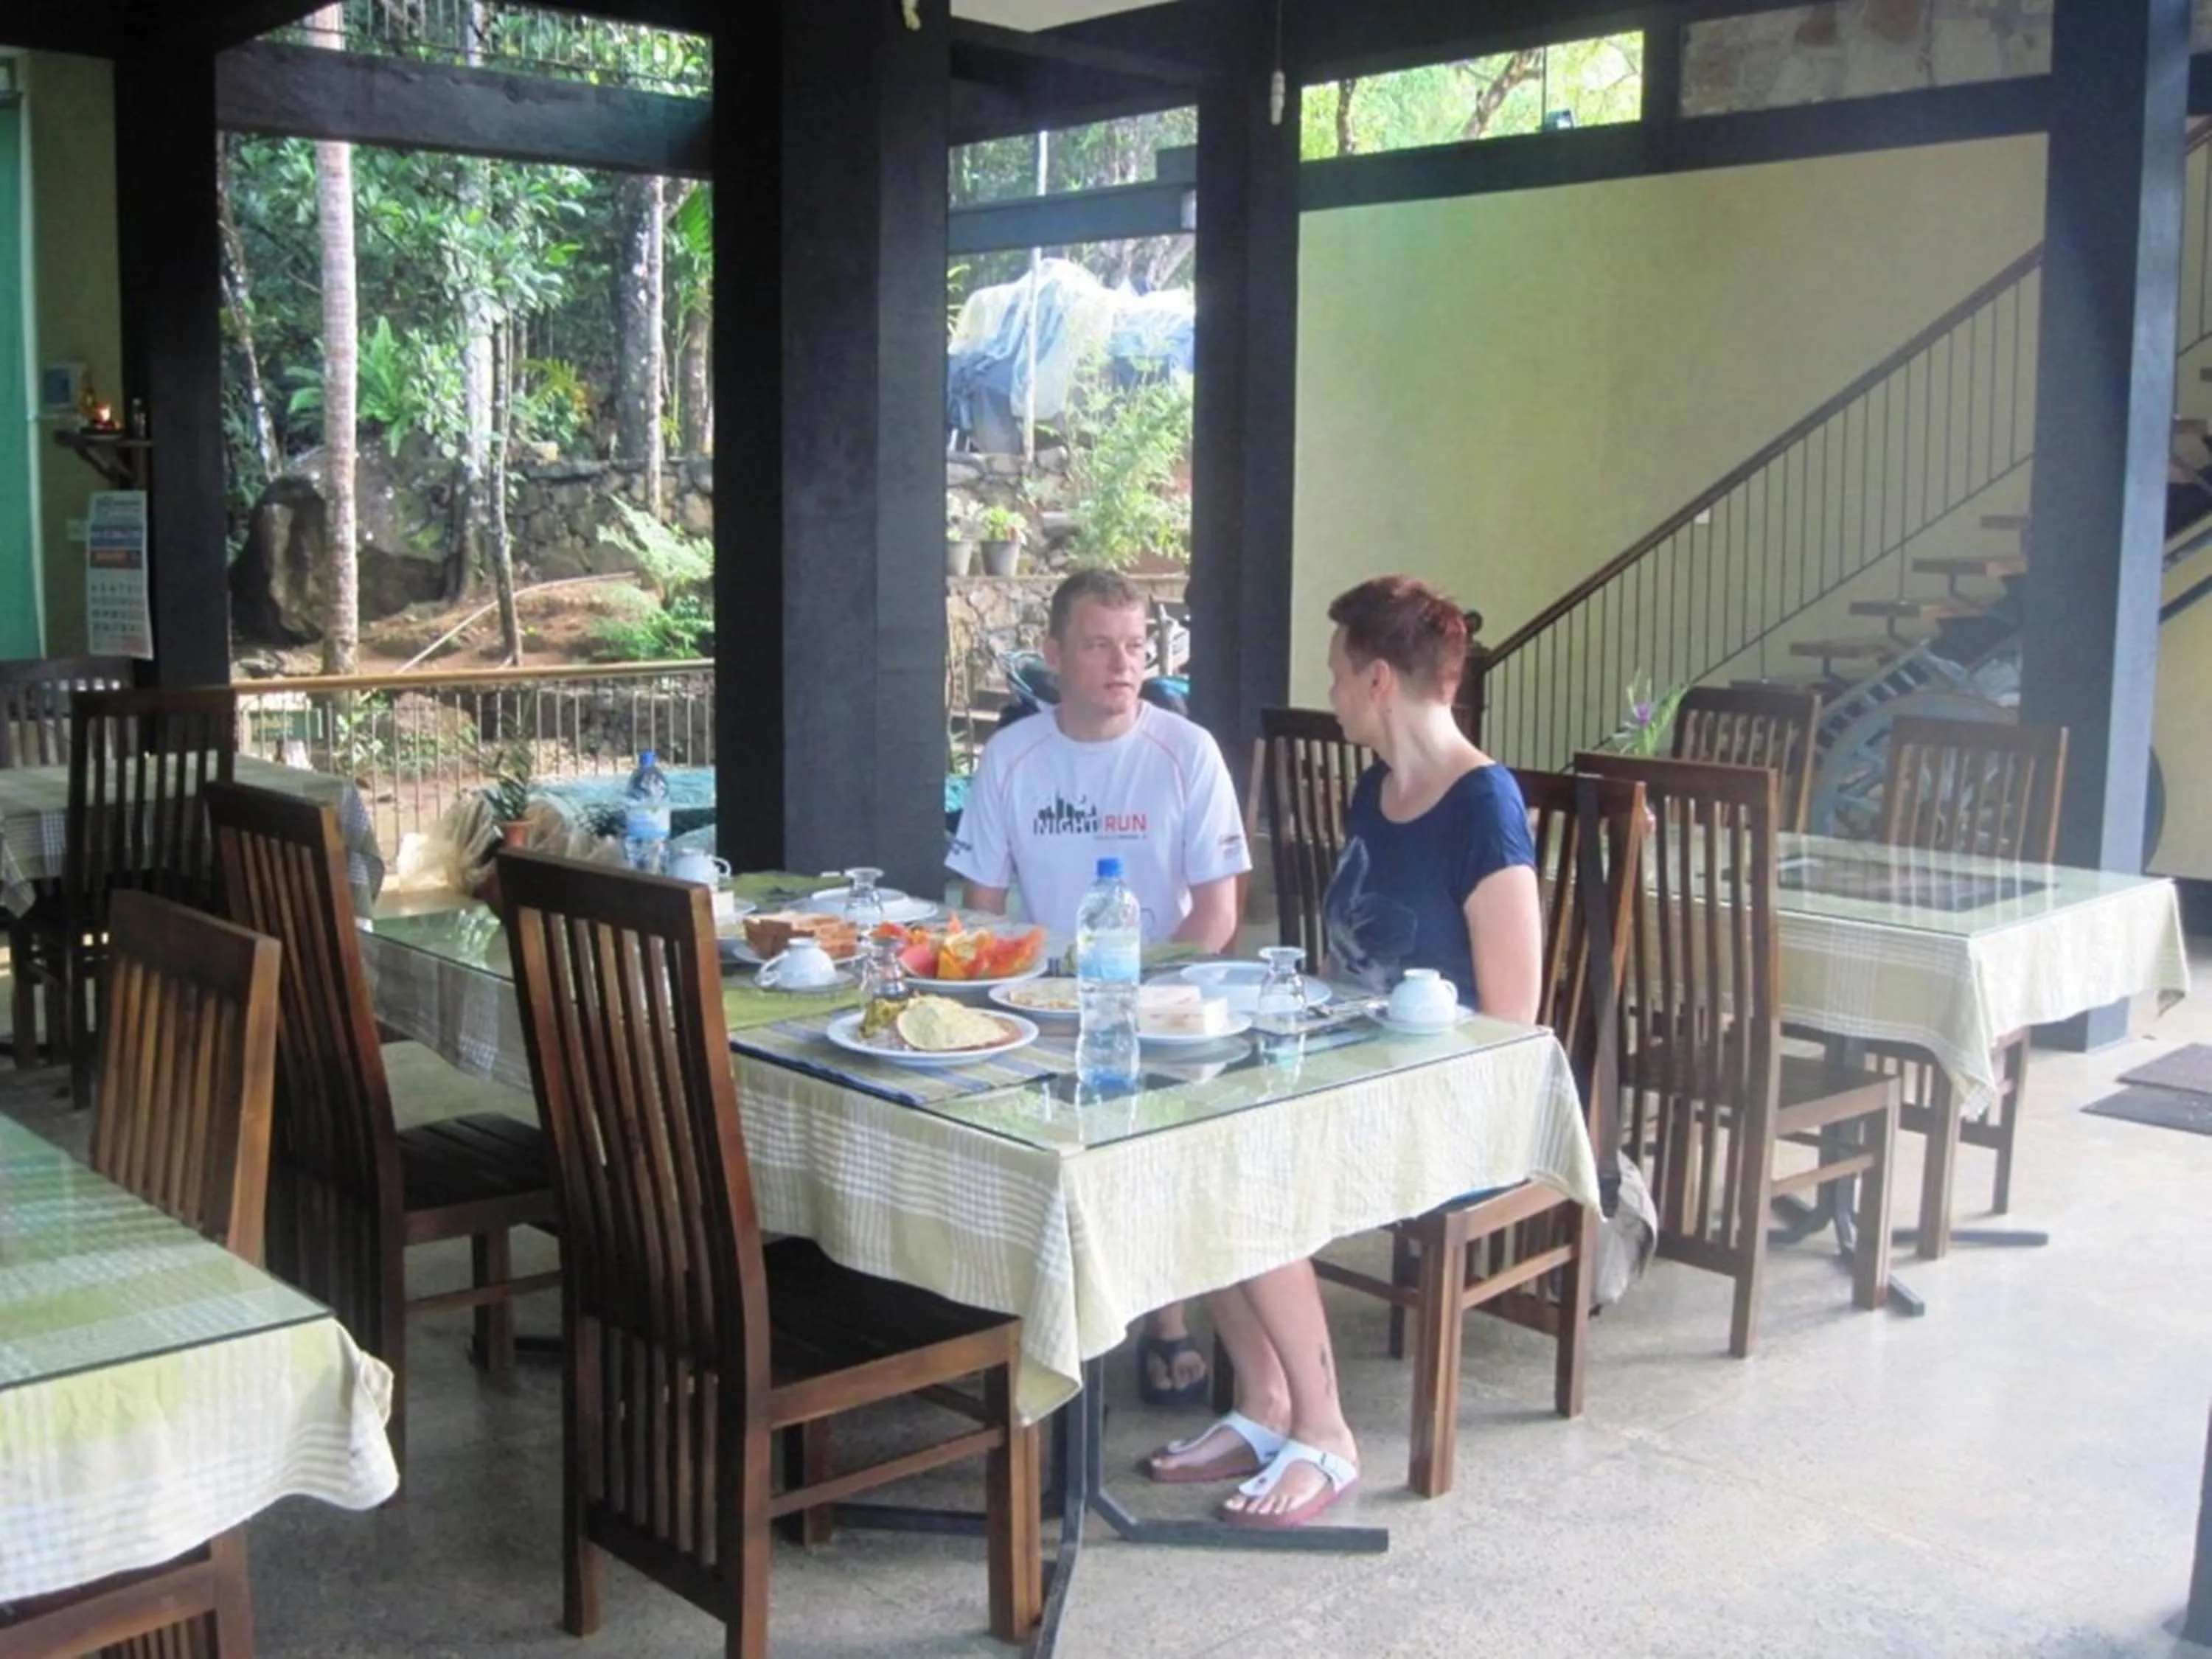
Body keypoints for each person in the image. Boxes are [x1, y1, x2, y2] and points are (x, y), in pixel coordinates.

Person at [1143, 574, 1541, 1528]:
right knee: (1172, 1137)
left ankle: (1326, 1432)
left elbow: (1513, 1022)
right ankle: (1264, 1400)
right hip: (1352, 1070)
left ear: (1376, 680)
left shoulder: (1483, 805)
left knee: (1249, 1167)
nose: (1327, 693)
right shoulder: (1379, 787)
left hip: (1451, 1105)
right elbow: (1352, 963)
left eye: (1334, 674)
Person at [949, 567, 1251, 1404]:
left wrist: (1131, 995)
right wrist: (1019, 992)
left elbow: (1219, 914)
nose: (1124, 665)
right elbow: (981, 914)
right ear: (1053, 656)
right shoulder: (1013, 757)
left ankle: (1166, 1318)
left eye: (1135, 646)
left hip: (1162, 998)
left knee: (1162, 1126)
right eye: (1098, 646)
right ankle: (1028, 1318)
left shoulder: (1186, 753)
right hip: (1040, 1001)